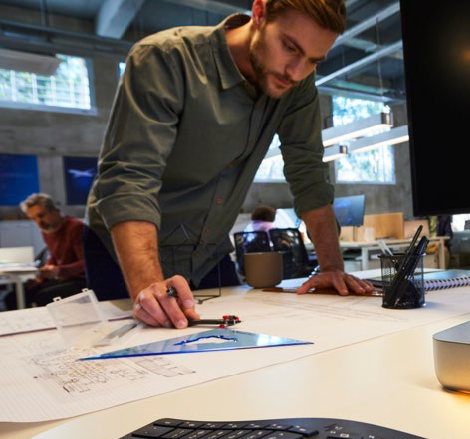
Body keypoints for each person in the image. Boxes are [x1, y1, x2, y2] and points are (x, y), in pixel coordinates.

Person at [84, 0, 374, 329]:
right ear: (260, 13)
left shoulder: (298, 84)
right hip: (126, 251)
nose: (296, 72)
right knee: (138, 361)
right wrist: (150, 288)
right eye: (289, 47)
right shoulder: (165, 58)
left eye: (313, 61)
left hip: (207, 252)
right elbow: (130, 179)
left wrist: (331, 267)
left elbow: (308, 172)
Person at [6, 194, 86, 309]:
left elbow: (86, 264)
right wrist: (42, 276)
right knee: (14, 296)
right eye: (33, 218)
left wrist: (59, 270)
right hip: (65, 277)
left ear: (55, 211)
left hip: (81, 280)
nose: (38, 222)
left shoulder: (76, 227)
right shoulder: (47, 230)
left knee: (43, 296)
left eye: (41, 215)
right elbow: (54, 256)